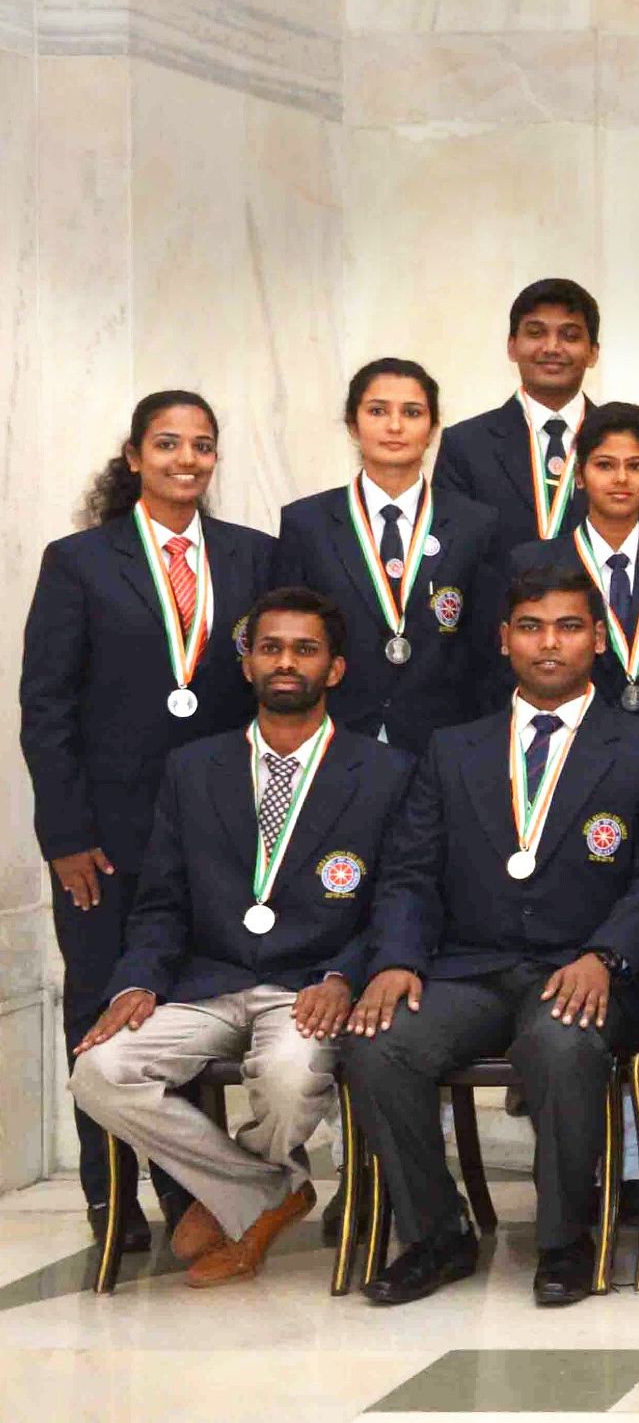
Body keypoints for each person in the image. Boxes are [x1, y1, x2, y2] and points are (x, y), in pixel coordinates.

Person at [340, 563, 639, 1308]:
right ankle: (437, 1234)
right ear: (503, 640)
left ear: (598, 639)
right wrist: (396, 960)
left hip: (588, 970)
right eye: (531, 627)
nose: (549, 643)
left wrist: (605, 955)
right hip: (470, 969)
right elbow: (409, 871)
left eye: (568, 627)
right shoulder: (452, 748)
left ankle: (565, 1241)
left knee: (561, 1044)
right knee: (377, 1043)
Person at [70, 588, 409, 1286]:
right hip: (208, 980)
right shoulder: (193, 768)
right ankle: (265, 1192)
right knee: (99, 1070)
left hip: (310, 985)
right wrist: (137, 982)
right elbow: (162, 902)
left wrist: (344, 976)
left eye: (305, 650)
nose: (286, 662)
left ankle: (246, 1200)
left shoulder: (386, 773)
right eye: (270, 648)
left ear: (335, 669)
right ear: (248, 662)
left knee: (289, 1079)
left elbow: (399, 901)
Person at [22, 390, 276, 1252]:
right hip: (106, 839)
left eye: (202, 445)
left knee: (188, 1009)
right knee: (99, 1006)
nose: (186, 460)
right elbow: (46, 706)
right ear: (135, 456)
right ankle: (111, 1200)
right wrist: (64, 836)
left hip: (221, 835)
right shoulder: (80, 562)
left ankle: (191, 1195)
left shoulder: (252, 557)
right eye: (167, 444)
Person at [276, 358, 502, 750]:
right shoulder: (307, 523)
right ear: (353, 425)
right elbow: (291, 642)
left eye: (412, 413)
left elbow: (488, 649)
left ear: (432, 429)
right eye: (378, 411)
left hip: (445, 739)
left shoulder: (475, 524)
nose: (395, 426)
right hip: (335, 735)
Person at [503, 403, 639, 729]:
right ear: (579, 475)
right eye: (605, 465)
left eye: (636, 466)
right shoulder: (532, 563)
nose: (621, 478)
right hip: (570, 743)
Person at [431, 278, 599, 563]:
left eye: (570, 336)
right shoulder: (465, 445)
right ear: (511, 346)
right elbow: (449, 556)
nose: (552, 347)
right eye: (536, 333)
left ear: (593, 352)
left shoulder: (625, 443)